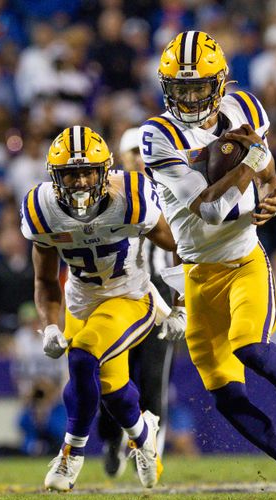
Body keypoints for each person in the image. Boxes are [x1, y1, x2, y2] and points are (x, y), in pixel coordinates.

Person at [138, 30, 276, 500]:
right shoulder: (157, 135)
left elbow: (267, 176)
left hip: (243, 258)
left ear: (220, 82)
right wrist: (253, 164)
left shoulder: (245, 109)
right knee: (225, 394)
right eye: (179, 87)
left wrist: (274, 186)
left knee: (249, 345)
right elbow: (210, 209)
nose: (188, 97)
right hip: (196, 272)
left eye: (197, 86)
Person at [21, 125, 184, 492]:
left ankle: (70, 454)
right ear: (54, 177)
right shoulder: (41, 208)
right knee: (110, 389)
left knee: (82, 356)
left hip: (130, 295)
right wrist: (49, 325)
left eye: (86, 172)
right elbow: (46, 281)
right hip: (82, 299)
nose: (79, 182)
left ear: (104, 170)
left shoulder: (131, 195)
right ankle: (144, 435)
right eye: (70, 174)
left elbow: (178, 244)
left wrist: (181, 303)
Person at [97, 127, 184, 478]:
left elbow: (182, 249)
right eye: (131, 151)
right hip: (118, 290)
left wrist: (181, 302)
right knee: (113, 375)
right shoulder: (108, 193)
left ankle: (150, 452)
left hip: (159, 290)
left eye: (141, 151)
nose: (137, 158)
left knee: (152, 377)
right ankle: (111, 437)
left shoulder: (169, 191)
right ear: (120, 156)